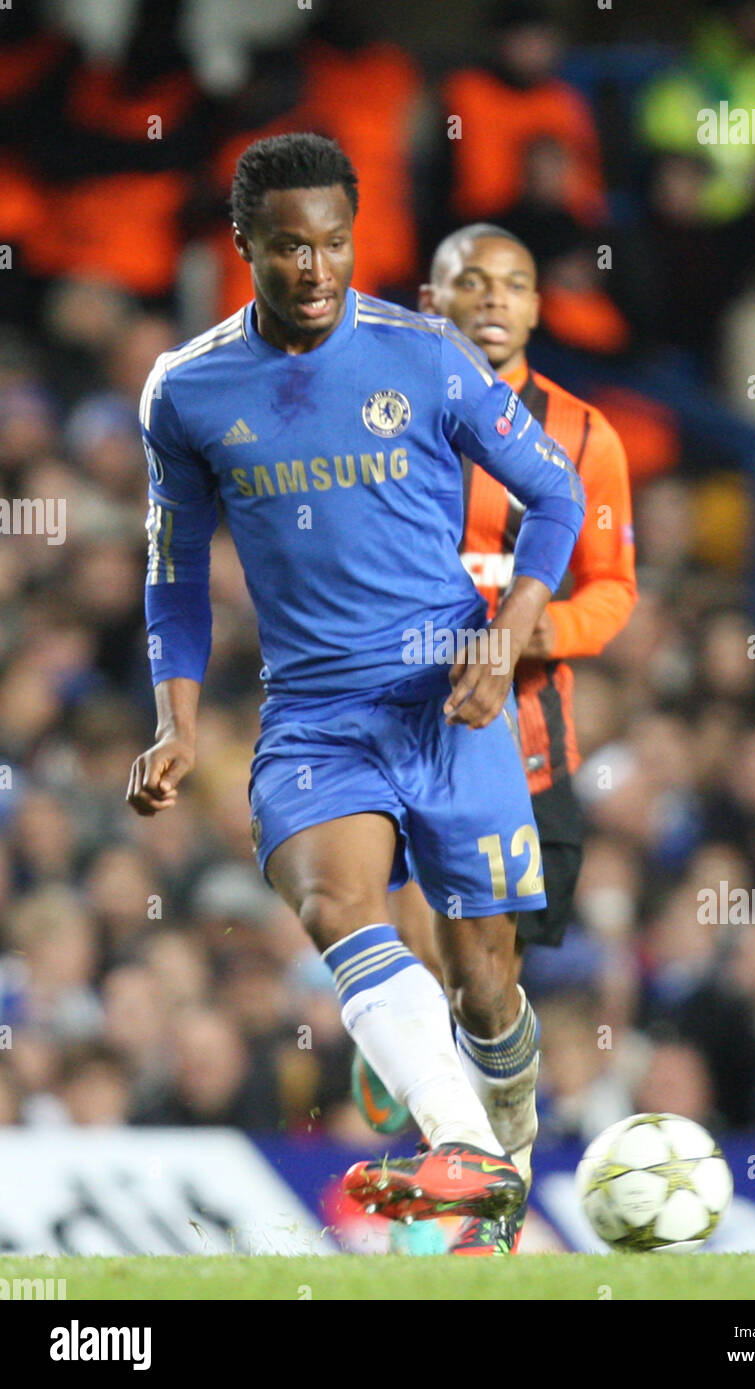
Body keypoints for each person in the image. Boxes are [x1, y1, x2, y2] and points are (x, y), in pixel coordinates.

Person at [126, 134, 585, 1252]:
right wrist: (175, 723)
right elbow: (175, 573)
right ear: (244, 246)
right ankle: (465, 1151)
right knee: (337, 908)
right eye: (288, 247)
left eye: (335, 243)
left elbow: (556, 496)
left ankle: (501, 1147)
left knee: (486, 986)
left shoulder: (424, 354)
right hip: (316, 717)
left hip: (448, 698)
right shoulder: (187, 391)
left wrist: (509, 635)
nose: (316, 269)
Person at [352, 224, 636, 1254]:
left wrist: (522, 625)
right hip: (405, 728)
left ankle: (482, 1168)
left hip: (530, 747)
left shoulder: (586, 433)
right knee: (426, 936)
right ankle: (457, 1172)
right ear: (430, 295)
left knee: (494, 984)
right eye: (469, 279)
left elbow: (613, 592)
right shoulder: (379, 409)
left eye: (515, 283)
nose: (491, 298)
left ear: (537, 308)